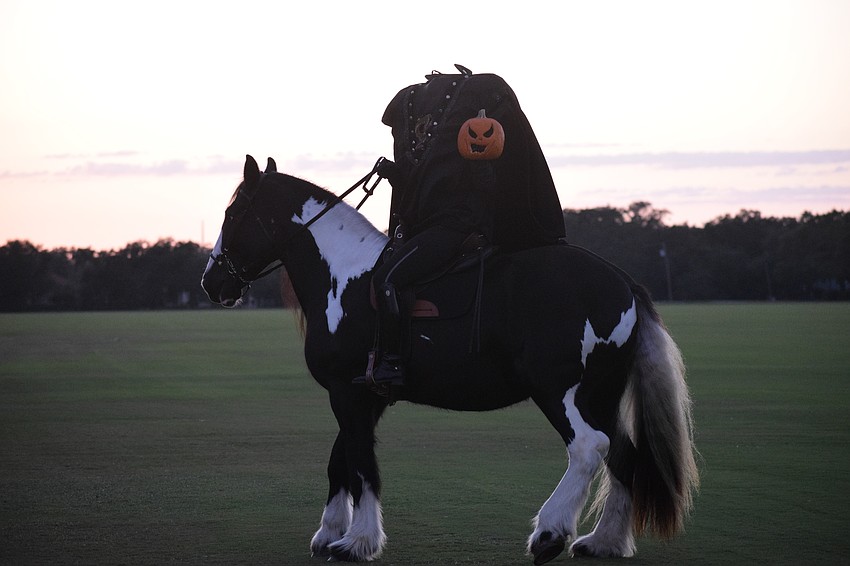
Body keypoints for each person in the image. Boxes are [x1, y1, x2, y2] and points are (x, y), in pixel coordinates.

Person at [357, 66, 565, 386]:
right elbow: (417, 190)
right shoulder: (431, 168)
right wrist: (392, 174)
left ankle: (392, 363)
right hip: (435, 227)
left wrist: (479, 164)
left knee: (387, 279)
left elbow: (480, 195)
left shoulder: (473, 160)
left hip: (454, 229)